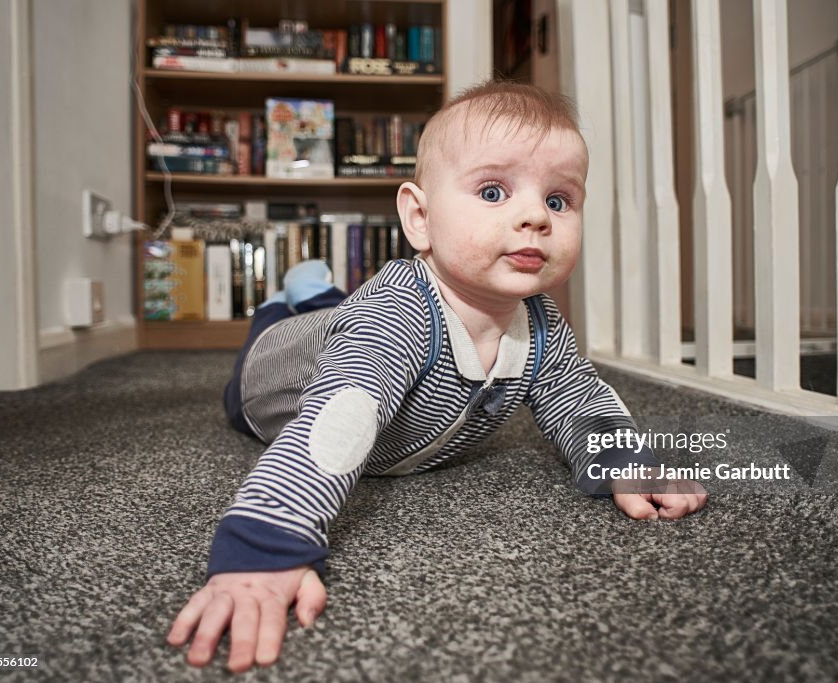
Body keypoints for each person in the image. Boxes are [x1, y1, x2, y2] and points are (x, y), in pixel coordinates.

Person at [167, 80, 707, 672]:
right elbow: (334, 424)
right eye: (494, 191)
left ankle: (319, 292)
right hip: (273, 370)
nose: (534, 217)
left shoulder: (541, 324)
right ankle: (292, 297)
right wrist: (264, 550)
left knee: (334, 308)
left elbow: (578, 399)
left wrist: (625, 460)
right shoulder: (394, 319)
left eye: (558, 200)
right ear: (419, 219)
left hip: (349, 325)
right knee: (276, 335)